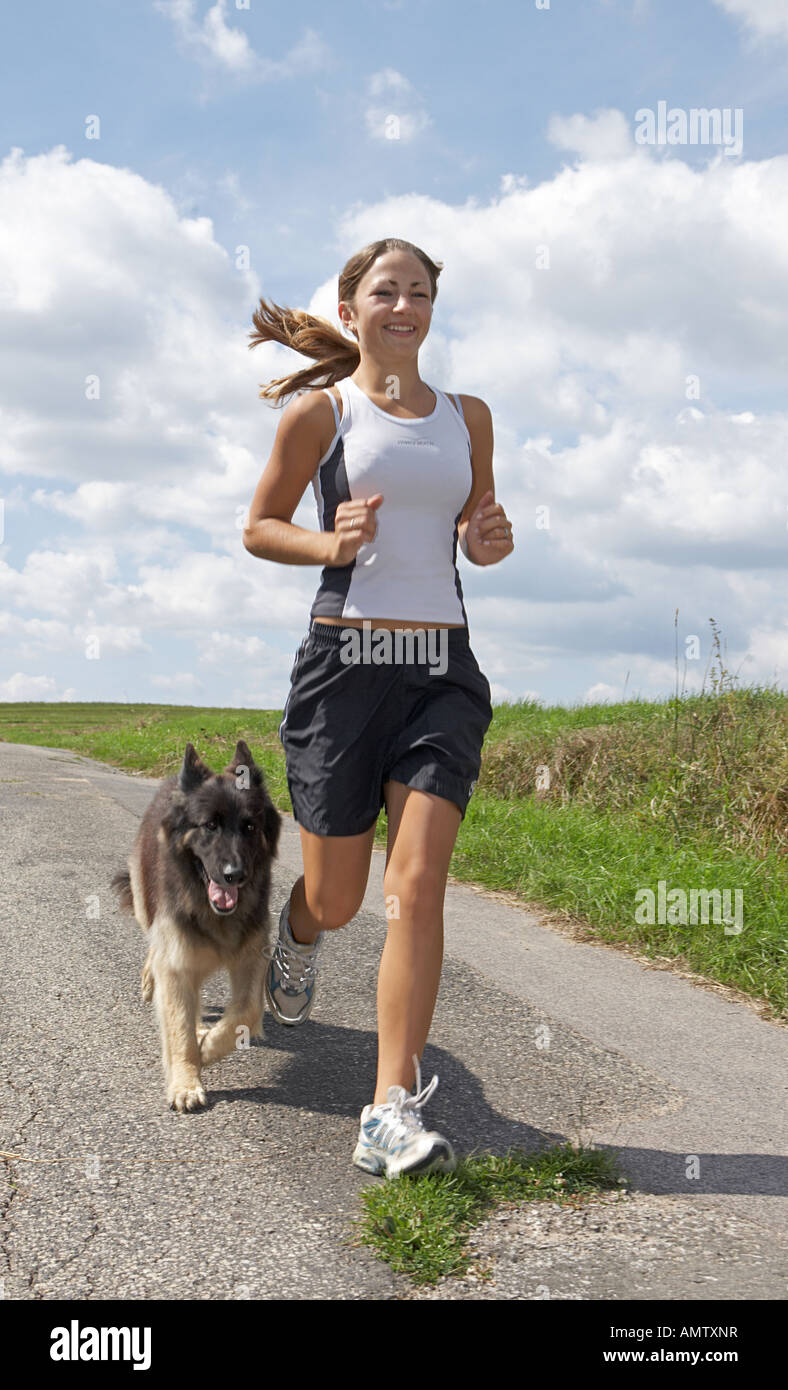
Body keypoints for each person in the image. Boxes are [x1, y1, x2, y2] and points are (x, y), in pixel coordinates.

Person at [242, 237, 514, 1178]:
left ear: (434, 308)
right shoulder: (323, 414)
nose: (405, 306)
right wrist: (331, 544)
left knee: (418, 886)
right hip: (346, 665)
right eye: (385, 292)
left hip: (440, 668)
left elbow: (478, 541)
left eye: (421, 292)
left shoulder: (469, 417)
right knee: (342, 895)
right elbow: (259, 526)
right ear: (351, 310)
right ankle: (299, 931)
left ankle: (387, 1111)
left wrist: (489, 537)